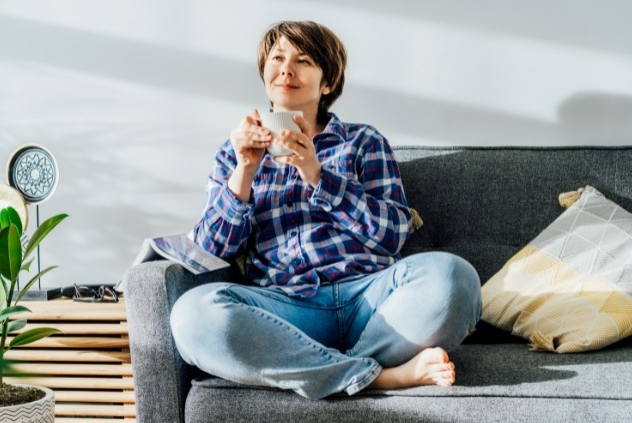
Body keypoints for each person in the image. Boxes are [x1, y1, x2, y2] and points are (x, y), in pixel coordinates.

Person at [170, 20, 482, 400]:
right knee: (192, 314)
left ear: (328, 83)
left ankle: (321, 372)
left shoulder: (363, 141)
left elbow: (392, 235)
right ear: (265, 72)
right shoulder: (233, 153)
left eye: (303, 60)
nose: (286, 68)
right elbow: (212, 253)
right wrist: (245, 172)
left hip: (372, 301)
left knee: (454, 277)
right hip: (285, 308)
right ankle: (379, 376)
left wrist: (317, 175)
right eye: (278, 58)